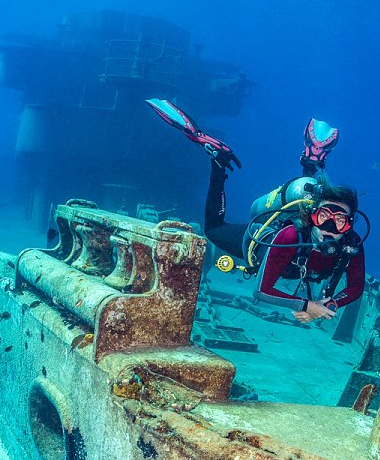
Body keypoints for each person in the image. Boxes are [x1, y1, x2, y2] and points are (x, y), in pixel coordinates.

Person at [146, 99, 367, 324]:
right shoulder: (290, 237)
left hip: (295, 252)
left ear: (349, 225)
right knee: (213, 229)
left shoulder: (351, 243)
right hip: (258, 242)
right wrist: (307, 305)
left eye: (340, 221)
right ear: (313, 216)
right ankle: (218, 163)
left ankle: (311, 161)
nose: (329, 228)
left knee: (309, 196)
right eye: (323, 217)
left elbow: (355, 287)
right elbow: (261, 290)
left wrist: (328, 305)